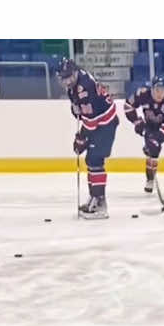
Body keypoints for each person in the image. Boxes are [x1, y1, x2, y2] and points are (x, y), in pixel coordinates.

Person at [55, 56, 118, 219]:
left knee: (95, 159)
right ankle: (95, 198)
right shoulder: (75, 83)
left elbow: (91, 121)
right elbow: (81, 111)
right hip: (99, 122)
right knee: (91, 160)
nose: (67, 81)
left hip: (106, 123)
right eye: (63, 78)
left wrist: (81, 138)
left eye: (69, 77)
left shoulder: (84, 87)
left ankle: (101, 203)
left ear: (75, 72)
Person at [124, 77, 164, 194]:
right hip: (151, 127)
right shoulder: (142, 94)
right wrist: (137, 122)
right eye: (157, 90)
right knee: (152, 155)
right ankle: (150, 179)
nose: (160, 93)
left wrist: (155, 141)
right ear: (152, 89)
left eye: (163, 90)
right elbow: (128, 106)